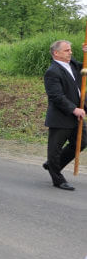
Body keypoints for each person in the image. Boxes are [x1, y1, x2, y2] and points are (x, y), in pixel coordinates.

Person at [42, 40, 87, 191]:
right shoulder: (52, 71)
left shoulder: (73, 65)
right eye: (67, 50)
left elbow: (85, 67)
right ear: (56, 53)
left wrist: (86, 52)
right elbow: (56, 96)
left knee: (82, 142)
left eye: (70, 50)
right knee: (54, 150)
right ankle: (58, 179)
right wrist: (74, 109)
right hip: (61, 116)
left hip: (77, 114)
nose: (70, 52)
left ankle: (53, 165)